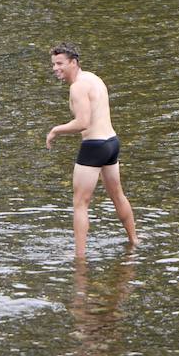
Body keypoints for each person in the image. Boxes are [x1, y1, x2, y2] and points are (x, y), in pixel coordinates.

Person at [45, 42, 136, 257]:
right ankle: (134, 240)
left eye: (60, 64)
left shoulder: (77, 87)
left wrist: (55, 130)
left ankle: (80, 257)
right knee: (117, 195)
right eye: (53, 64)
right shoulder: (93, 78)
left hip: (94, 146)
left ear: (73, 63)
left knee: (80, 203)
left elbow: (83, 122)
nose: (56, 68)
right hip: (111, 143)